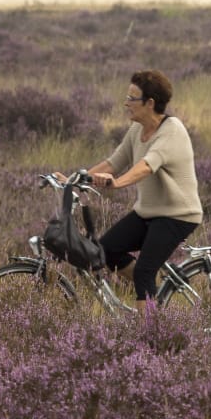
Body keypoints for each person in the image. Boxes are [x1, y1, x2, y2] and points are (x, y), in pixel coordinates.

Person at [79, 70, 201, 303]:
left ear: (150, 103)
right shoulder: (137, 129)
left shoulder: (172, 130)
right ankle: (152, 301)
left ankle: (149, 336)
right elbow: (114, 162)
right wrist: (72, 180)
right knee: (106, 251)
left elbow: (146, 166)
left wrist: (116, 183)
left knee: (145, 271)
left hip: (178, 215)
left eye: (132, 98)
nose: (126, 103)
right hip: (148, 212)